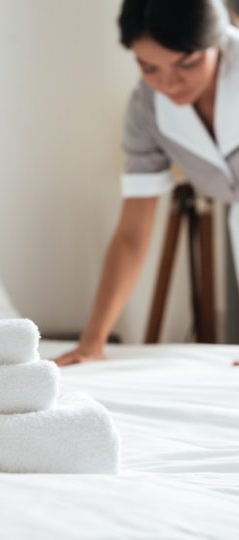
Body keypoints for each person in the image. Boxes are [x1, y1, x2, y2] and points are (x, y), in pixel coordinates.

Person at [55, 0, 239, 367]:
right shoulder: (146, 111)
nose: (168, 82)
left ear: (218, 40)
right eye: (149, 67)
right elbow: (131, 237)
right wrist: (93, 342)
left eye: (186, 63)